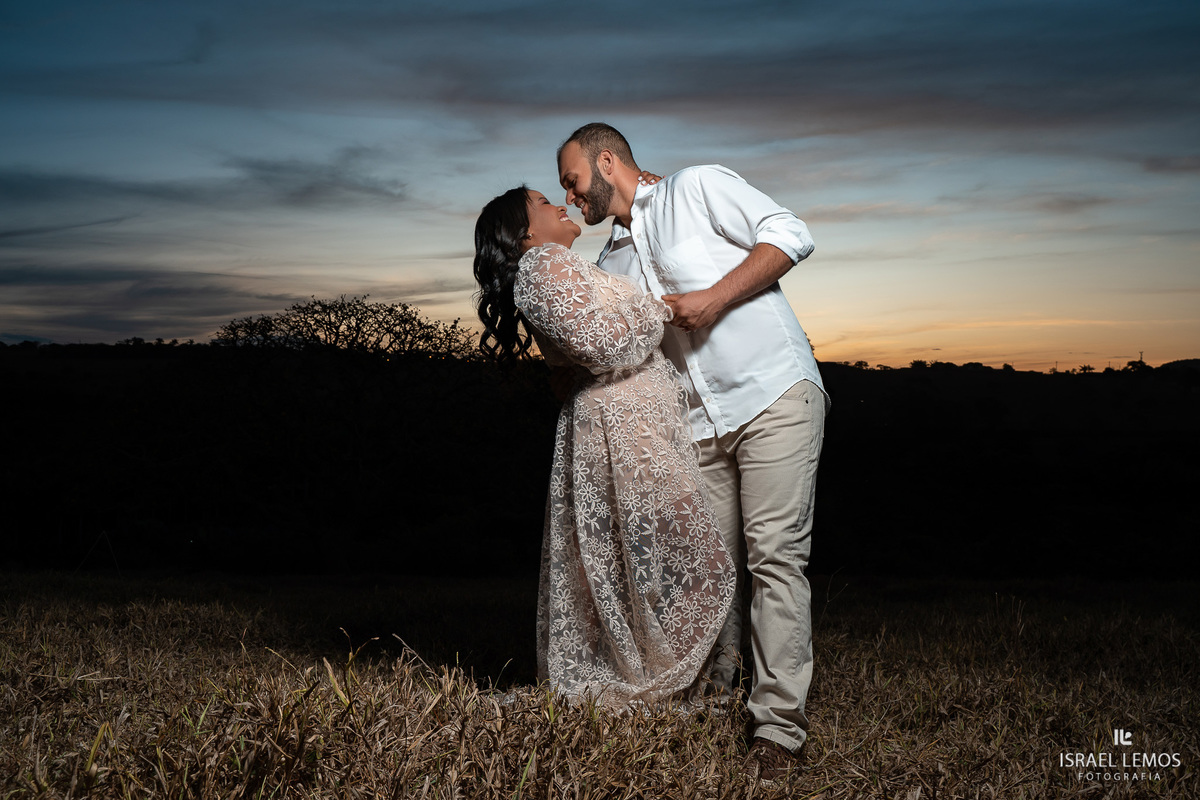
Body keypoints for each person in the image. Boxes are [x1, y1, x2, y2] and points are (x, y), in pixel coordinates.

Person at [557, 123, 828, 781]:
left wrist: (713, 299)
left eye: (573, 182)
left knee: (775, 559)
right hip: (696, 431)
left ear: (607, 161)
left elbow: (791, 234)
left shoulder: (697, 188)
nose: (571, 200)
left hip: (772, 394)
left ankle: (777, 734)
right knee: (705, 576)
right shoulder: (609, 266)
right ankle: (710, 701)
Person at [472, 186, 734, 707]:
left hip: (624, 420)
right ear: (526, 233)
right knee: (697, 564)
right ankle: (668, 683)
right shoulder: (543, 266)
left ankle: (679, 675)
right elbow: (607, 345)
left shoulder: (555, 269)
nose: (560, 205)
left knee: (638, 563)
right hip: (623, 425)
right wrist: (656, 309)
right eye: (545, 203)